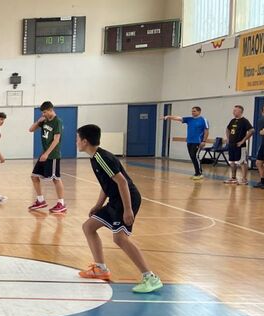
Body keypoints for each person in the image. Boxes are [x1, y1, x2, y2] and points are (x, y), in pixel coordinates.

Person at [75, 124, 163, 294]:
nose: (76, 142)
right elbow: (107, 184)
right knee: (88, 227)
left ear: (85, 141)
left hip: (126, 200)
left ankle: (150, 277)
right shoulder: (95, 158)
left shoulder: (102, 158)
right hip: (115, 200)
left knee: (120, 239)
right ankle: (100, 269)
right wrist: (98, 205)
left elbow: (122, 182)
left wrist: (128, 209)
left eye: (77, 139)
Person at [27, 101, 67, 213]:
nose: (43, 114)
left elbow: (56, 140)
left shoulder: (57, 121)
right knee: (34, 176)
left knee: (56, 178)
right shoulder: (44, 120)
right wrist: (38, 121)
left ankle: (61, 203)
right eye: (42, 112)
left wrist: (47, 154)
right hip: (44, 153)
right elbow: (31, 129)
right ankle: (40, 200)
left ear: (50, 110)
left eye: (45, 112)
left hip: (52, 155)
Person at [163, 106, 209, 181]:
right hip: (189, 141)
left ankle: (199, 173)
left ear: (199, 112)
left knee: (195, 156)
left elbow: (206, 131)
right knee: (192, 157)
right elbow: (178, 118)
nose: (192, 112)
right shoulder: (189, 119)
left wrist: (204, 141)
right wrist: (168, 116)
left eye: (194, 111)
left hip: (198, 142)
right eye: (192, 111)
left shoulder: (203, 120)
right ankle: (197, 172)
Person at [224, 105, 253, 186]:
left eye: (235, 110)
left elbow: (251, 130)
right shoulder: (232, 120)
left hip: (240, 145)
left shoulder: (244, 121)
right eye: (233, 110)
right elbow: (227, 129)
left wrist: (243, 140)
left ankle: (244, 179)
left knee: (242, 162)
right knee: (232, 161)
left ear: (240, 112)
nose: (233, 112)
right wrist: (228, 138)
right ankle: (233, 178)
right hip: (231, 144)